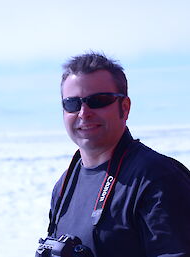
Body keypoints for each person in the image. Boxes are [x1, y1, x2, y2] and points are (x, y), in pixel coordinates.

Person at [46, 52, 190, 257]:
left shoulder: (156, 179)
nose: (84, 113)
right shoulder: (65, 185)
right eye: (72, 103)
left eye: (98, 101)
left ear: (125, 107)